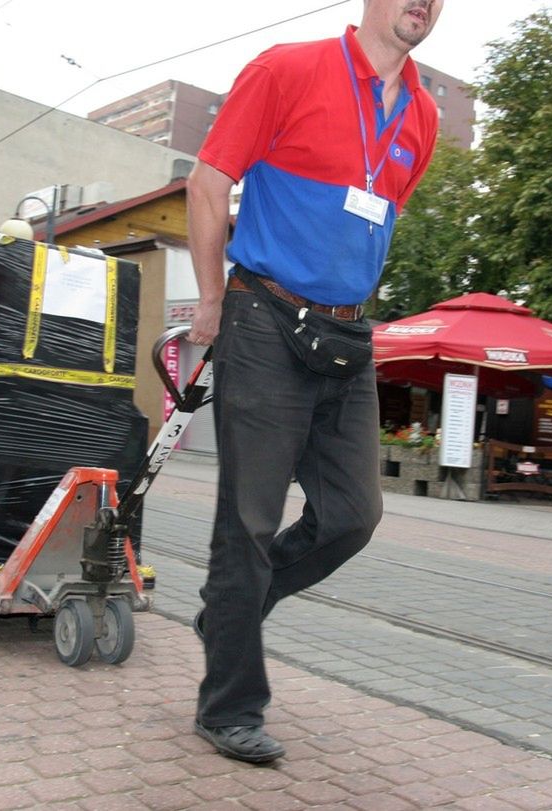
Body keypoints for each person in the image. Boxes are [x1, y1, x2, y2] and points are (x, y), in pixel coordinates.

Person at [185, 0, 443, 763]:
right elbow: (207, 182)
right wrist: (207, 300)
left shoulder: (423, 115)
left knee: (352, 515)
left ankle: (228, 618)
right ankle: (229, 704)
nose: (423, 3)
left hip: (347, 332)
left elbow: (372, 219)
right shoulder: (287, 68)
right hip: (263, 315)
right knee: (250, 521)